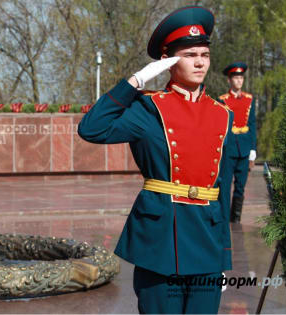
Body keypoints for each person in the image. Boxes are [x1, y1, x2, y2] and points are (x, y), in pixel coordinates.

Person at [78, 6, 233, 314]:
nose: (200, 61)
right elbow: (92, 128)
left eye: (204, 54)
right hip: (162, 240)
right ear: (168, 61)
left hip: (207, 240)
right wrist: (135, 81)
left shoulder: (222, 114)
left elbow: (222, 187)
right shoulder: (149, 109)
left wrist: (223, 255)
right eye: (189, 55)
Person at [218, 63, 257, 223]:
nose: (239, 81)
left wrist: (253, 150)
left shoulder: (249, 99)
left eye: (241, 78)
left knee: (240, 186)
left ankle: (236, 219)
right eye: (236, 78)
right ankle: (225, 218)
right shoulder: (222, 100)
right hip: (229, 149)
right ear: (229, 80)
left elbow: (252, 124)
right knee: (225, 186)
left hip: (245, 148)